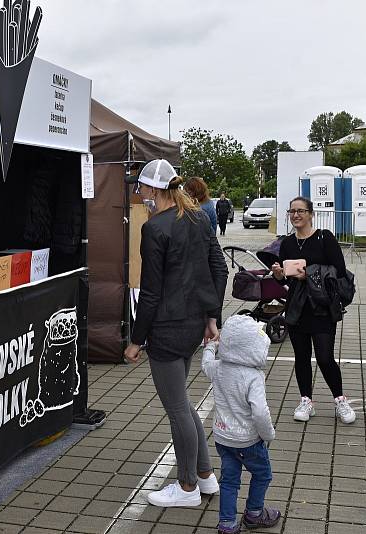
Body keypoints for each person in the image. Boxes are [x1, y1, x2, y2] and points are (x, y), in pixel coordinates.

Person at [124, 159, 228, 507]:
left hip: (168, 329)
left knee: (178, 409)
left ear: (153, 190)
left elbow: (151, 292)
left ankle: (186, 488)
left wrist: (136, 340)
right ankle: (204, 475)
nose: (140, 194)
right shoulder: (198, 218)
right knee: (182, 405)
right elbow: (218, 267)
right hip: (193, 324)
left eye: (141, 188)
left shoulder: (156, 229)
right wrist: (213, 317)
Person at [271, 197, 356, 424]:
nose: (296, 215)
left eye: (301, 211)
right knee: (301, 357)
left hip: (322, 306)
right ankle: (306, 400)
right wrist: (279, 276)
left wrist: (309, 273)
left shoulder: (324, 237)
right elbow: (285, 280)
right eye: (292, 211)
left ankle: (340, 399)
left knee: (325, 357)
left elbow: (339, 269)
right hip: (298, 306)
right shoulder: (287, 243)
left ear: (311, 214)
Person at [202, 315, 281, 533]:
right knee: (263, 474)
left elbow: (205, 363)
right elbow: (260, 413)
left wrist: (211, 345)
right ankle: (254, 513)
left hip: (222, 437)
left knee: (229, 481)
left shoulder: (218, 368)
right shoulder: (253, 376)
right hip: (248, 440)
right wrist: (268, 435)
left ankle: (227, 524)